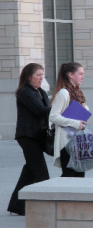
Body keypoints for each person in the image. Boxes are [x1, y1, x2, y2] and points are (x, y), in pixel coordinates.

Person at [7, 63, 51, 216]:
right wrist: (63, 109)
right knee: (42, 174)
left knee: (30, 171)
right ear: (29, 77)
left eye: (42, 74)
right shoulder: (25, 92)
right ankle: (45, 208)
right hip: (27, 136)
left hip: (38, 136)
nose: (41, 78)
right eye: (38, 75)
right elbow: (40, 111)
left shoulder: (41, 92)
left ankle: (16, 205)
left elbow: (48, 112)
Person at [49, 62, 88, 177]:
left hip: (78, 140)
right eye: (80, 74)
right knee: (69, 175)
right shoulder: (63, 93)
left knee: (80, 174)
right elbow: (53, 116)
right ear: (71, 75)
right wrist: (75, 123)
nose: (83, 77)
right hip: (66, 141)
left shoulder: (78, 93)